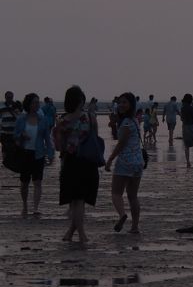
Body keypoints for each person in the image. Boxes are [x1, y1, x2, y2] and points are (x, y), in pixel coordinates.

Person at [54, 85, 99, 244]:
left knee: (76, 200)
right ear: (81, 100)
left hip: (71, 162)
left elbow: (58, 147)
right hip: (88, 161)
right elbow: (96, 139)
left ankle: (77, 233)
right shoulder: (91, 117)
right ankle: (79, 234)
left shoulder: (63, 121)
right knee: (80, 200)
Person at [105, 92, 144, 234]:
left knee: (116, 193)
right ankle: (135, 227)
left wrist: (110, 159)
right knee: (133, 196)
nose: (121, 105)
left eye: (125, 102)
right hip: (138, 162)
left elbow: (121, 143)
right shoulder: (134, 120)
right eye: (120, 102)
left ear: (131, 105)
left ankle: (122, 215)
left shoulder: (127, 123)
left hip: (125, 162)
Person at [14, 93, 54, 218]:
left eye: (38, 102)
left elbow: (47, 138)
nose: (37, 104)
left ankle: (36, 208)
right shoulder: (21, 119)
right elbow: (15, 136)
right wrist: (22, 135)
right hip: (25, 153)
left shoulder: (43, 120)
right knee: (24, 182)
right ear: (29, 104)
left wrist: (50, 153)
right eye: (34, 102)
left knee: (38, 182)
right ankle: (25, 205)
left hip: (39, 154)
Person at [180, 93, 193, 167]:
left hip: (185, 127)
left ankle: (188, 162)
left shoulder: (182, 108)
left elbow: (182, 119)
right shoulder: (192, 108)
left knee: (186, 146)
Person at [1, 91, 22, 155]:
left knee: (15, 151)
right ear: (5, 97)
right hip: (4, 133)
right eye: (8, 97)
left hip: (14, 133)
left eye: (10, 97)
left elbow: (21, 117)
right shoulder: (1, 106)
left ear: (13, 97)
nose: (9, 98)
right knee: (5, 151)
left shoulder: (17, 105)